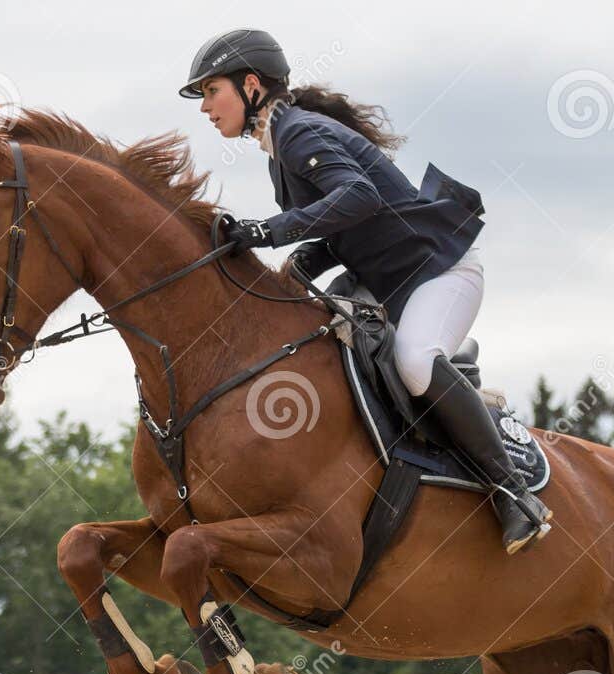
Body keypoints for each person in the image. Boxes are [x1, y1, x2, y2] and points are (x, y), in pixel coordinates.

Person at [181, 29, 552, 554]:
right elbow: (341, 229)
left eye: (210, 91)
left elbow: (359, 197)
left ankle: (514, 495)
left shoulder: (299, 133)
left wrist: (268, 230)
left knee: (417, 362)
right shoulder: (279, 149)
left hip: (439, 272)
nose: (205, 107)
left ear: (250, 85)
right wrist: (291, 266)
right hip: (389, 282)